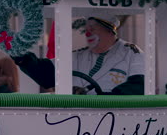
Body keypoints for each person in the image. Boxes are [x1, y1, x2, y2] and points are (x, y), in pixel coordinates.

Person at [12, 15, 145, 95]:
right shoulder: (78, 56)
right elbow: (45, 73)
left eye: (93, 29)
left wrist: (103, 98)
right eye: (86, 29)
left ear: (110, 32)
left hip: (115, 119)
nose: (88, 33)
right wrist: (22, 57)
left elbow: (139, 85)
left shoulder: (131, 53)